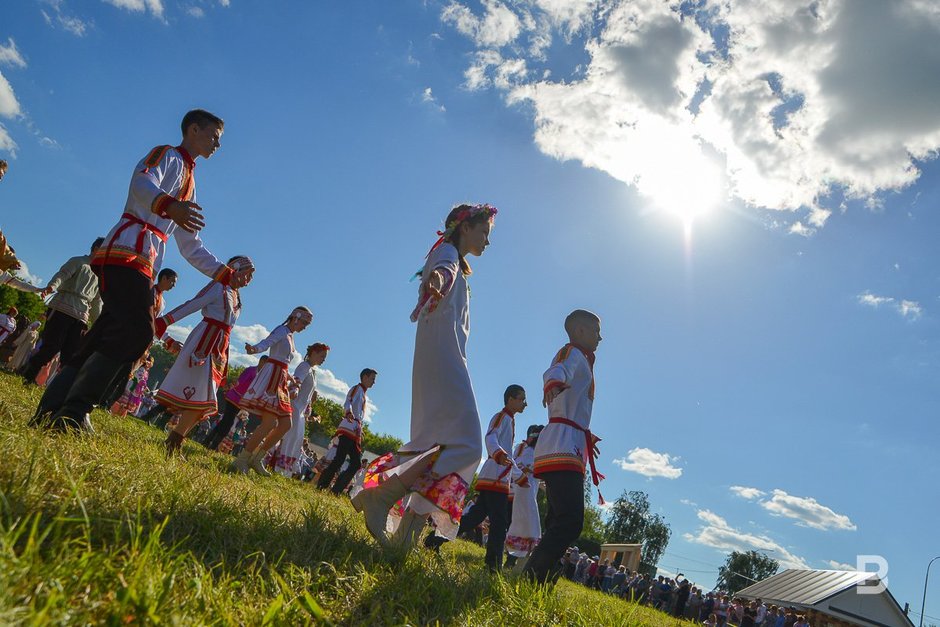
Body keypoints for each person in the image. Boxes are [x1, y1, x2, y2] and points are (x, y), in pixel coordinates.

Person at [32, 109, 250, 432]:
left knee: (106, 332)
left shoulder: (190, 182)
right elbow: (142, 182)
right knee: (139, 331)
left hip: (145, 259)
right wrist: (168, 205)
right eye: (214, 136)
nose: (218, 144)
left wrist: (224, 274)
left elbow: (190, 245)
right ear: (193, 130)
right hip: (127, 251)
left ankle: (54, 409)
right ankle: (76, 410)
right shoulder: (167, 155)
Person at [351, 203, 497, 550]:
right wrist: (437, 279)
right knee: (467, 444)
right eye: (484, 232)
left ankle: (406, 535)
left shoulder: (454, 262)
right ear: (464, 227)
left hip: (444, 355)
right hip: (443, 358)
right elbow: (442, 271)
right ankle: (384, 496)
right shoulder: (446, 255)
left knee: (441, 444)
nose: (487, 242)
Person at [522, 309, 603, 584]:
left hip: (570, 440)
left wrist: (585, 436)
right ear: (580, 331)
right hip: (563, 443)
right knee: (570, 521)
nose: (600, 338)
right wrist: (553, 383)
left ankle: (542, 574)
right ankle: (533, 575)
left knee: (559, 519)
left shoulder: (583, 360)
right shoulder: (572, 353)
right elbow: (556, 370)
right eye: (596, 331)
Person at [153, 256, 255, 457]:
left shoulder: (235, 296)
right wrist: (165, 321)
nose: (249, 279)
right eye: (248, 273)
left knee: (206, 399)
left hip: (220, 347)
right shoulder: (218, 287)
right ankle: (174, 441)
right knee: (202, 396)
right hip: (205, 341)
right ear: (234, 269)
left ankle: (175, 439)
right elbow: (193, 304)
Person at [437, 385, 527, 571]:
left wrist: (518, 475)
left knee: (473, 518)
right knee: (499, 522)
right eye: (521, 399)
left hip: (498, 478)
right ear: (510, 399)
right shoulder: (501, 417)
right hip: (495, 478)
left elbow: (507, 455)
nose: (524, 404)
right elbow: (490, 437)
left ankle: (435, 540)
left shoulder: (509, 420)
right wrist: (498, 454)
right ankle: (492, 564)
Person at [231, 306, 313, 475]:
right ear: (295, 317)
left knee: (285, 424)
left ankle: (256, 458)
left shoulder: (290, 335)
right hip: (272, 379)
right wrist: (254, 349)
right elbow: (267, 343)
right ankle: (242, 459)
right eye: (304, 322)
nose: (305, 326)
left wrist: (290, 379)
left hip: (280, 380)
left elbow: (283, 361)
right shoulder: (282, 330)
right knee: (270, 423)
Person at [20, 238, 104, 384]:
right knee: (51, 346)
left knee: (71, 354)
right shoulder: (78, 262)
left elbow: (97, 301)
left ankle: (58, 388)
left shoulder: (101, 274)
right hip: (62, 307)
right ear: (96, 248)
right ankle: (28, 373)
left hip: (81, 315)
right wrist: (51, 286)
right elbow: (63, 274)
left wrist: (98, 323)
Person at [317, 368, 377, 493]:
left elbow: (358, 413)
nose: (373, 382)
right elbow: (348, 401)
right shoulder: (357, 389)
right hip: (348, 429)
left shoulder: (362, 393)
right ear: (364, 377)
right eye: (372, 378)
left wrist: (359, 428)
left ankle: (335, 489)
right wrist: (348, 412)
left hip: (353, 430)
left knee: (355, 463)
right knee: (341, 459)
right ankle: (324, 485)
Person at [273, 343, 328, 477]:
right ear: (313, 353)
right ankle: (278, 468)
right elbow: (296, 381)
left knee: (296, 440)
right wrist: (294, 390)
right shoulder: (304, 366)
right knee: (290, 438)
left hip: (301, 411)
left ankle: (284, 470)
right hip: (294, 408)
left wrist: (310, 405)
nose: (324, 359)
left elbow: (307, 394)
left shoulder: (312, 371)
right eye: (322, 356)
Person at [204, 356, 266, 450]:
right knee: (228, 422)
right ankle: (212, 443)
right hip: (234, 397)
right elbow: (240, 382)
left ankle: (209, 441)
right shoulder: (251, 370)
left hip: (240, 401)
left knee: (226, 421)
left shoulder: (259, 375)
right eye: (265, 363)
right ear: (261, 361)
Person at [504, 424, 544, 566]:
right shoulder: (521, 447)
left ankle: (511, 560)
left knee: (521, 526)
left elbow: (541, 474)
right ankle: (504, 555)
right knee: (508, 523)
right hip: (513, 491)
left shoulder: (541, 453)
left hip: (528, 495)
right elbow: (512, 463)